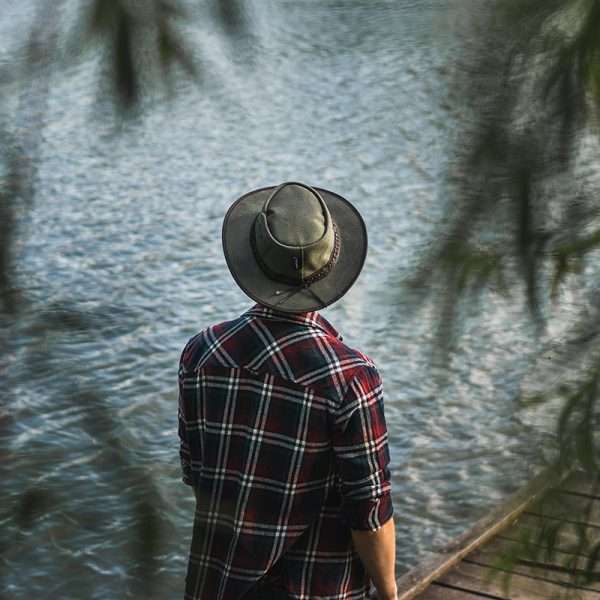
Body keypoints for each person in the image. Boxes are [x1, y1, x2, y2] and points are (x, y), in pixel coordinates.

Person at [178, 182, 396, 600]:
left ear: (253, 258)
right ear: (328, 267)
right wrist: (390, 593)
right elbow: (369, 512)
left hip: (217, 584)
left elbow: (196, 472)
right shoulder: (351, 377)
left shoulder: (201, 354)